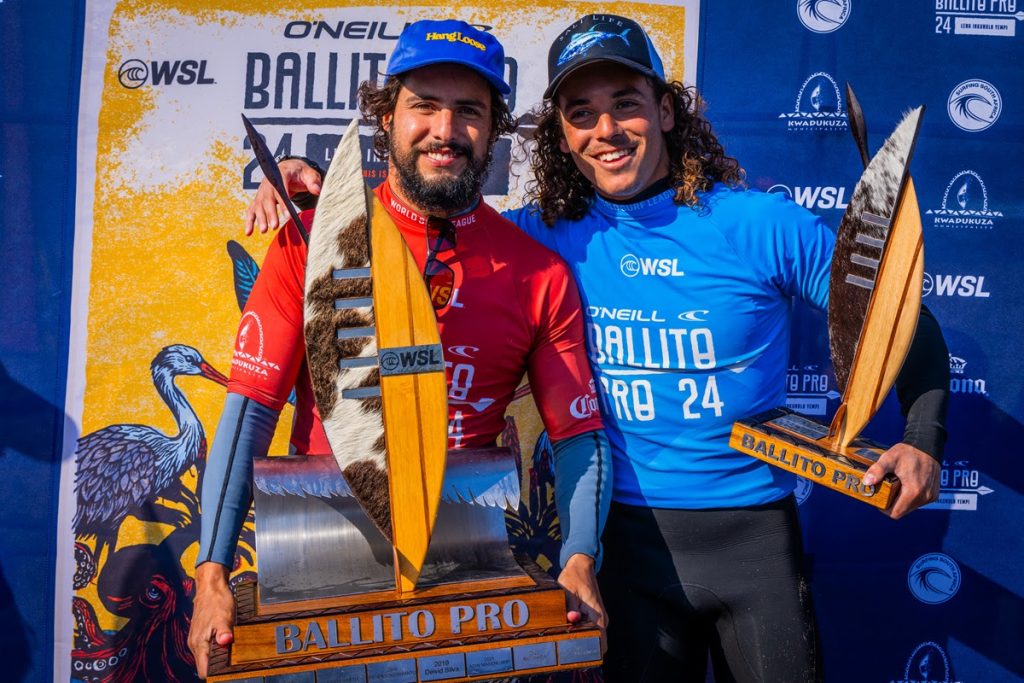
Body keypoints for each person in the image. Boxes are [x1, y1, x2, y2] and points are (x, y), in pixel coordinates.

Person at [247, 14, 949, 682]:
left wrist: (922, 435)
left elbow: (898, 317)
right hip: (622, 547)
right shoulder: (543, 239)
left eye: (626, 103)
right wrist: (318, 185)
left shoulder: (761, 224)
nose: (606, 130)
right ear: (560, 133)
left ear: (666, 111)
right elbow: (425, 213)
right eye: (580, 113)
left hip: (753, 542)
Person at [187, 19, 611, 679]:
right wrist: (210, 571)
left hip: (467, 579)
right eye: (424, 106)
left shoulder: (539, 273)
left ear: (494, 128)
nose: (445, 129)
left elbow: (579, 432)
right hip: (317, 563)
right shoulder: (310, 246)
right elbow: (250, 411)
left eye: (468, 110)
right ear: (386, 117)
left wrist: (581, 557)